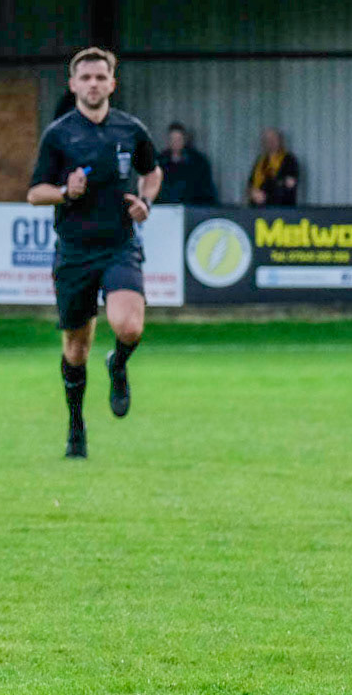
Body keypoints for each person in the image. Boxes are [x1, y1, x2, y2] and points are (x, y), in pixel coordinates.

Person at [26, 47, 160, 460]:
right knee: (75, 349)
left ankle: (118, 365)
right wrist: (66, 192)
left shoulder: (131, 130)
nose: (93, 84)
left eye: (101, 77)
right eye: (85, 78)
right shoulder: (60, 134)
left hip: (120, 245)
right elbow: (35, 193)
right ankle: (76, 427)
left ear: (112, 84)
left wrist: (145, 202)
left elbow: (152, 172)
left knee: (129, 326)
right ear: (73, 85)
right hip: (75, 252)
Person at [156, 122, 219, 206]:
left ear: (185, 139)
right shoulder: (160, 161)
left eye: (179, 139)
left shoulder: (198, 162)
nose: (175, 143)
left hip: (192, 208)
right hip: (165, 208)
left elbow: (206, 189)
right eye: (172, 139)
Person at [248, 127, 301, 206]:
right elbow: (250, 184)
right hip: (257, 209)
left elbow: (290, 184)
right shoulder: (261, 161)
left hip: (281, 210)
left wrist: (265, 196)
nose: (270, 142)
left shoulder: (289, 160)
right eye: (267, 139)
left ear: (280, 140)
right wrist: (253, 193)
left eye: (273, 139)